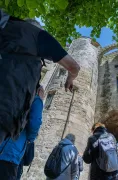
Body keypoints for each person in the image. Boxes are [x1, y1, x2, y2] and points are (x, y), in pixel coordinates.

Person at [0, 9, 80, 145]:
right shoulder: (37, 35)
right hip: (6, 105)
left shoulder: (6, 25)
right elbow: (74, 67)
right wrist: (69, 79)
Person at [0, 85, 44, 180]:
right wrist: (30, 139)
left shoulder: (11, 90)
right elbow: (35, 122)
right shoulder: (36, 99)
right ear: (39, 91)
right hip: (10, 152)